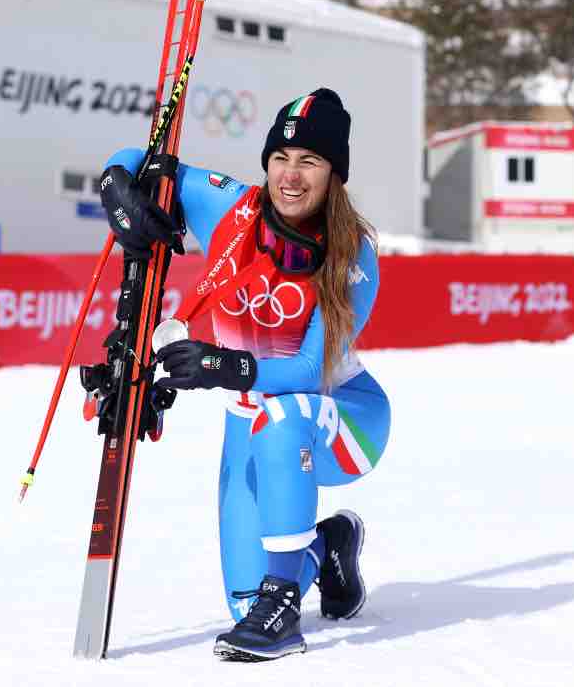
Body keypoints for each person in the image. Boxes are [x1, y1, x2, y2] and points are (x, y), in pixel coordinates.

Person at [97, 87, 390, 662]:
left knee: (282, 418)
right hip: (250, 412)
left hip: (344, 420)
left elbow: (310, 369)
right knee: (243, 601)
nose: (291, 175)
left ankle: (284, 610)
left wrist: (221, 366)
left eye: (310, 161)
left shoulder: (354, 253)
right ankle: (327, 549)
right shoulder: (229, 207)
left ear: (335, 174)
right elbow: (146, 160)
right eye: (281, 158)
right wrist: (115, 186)